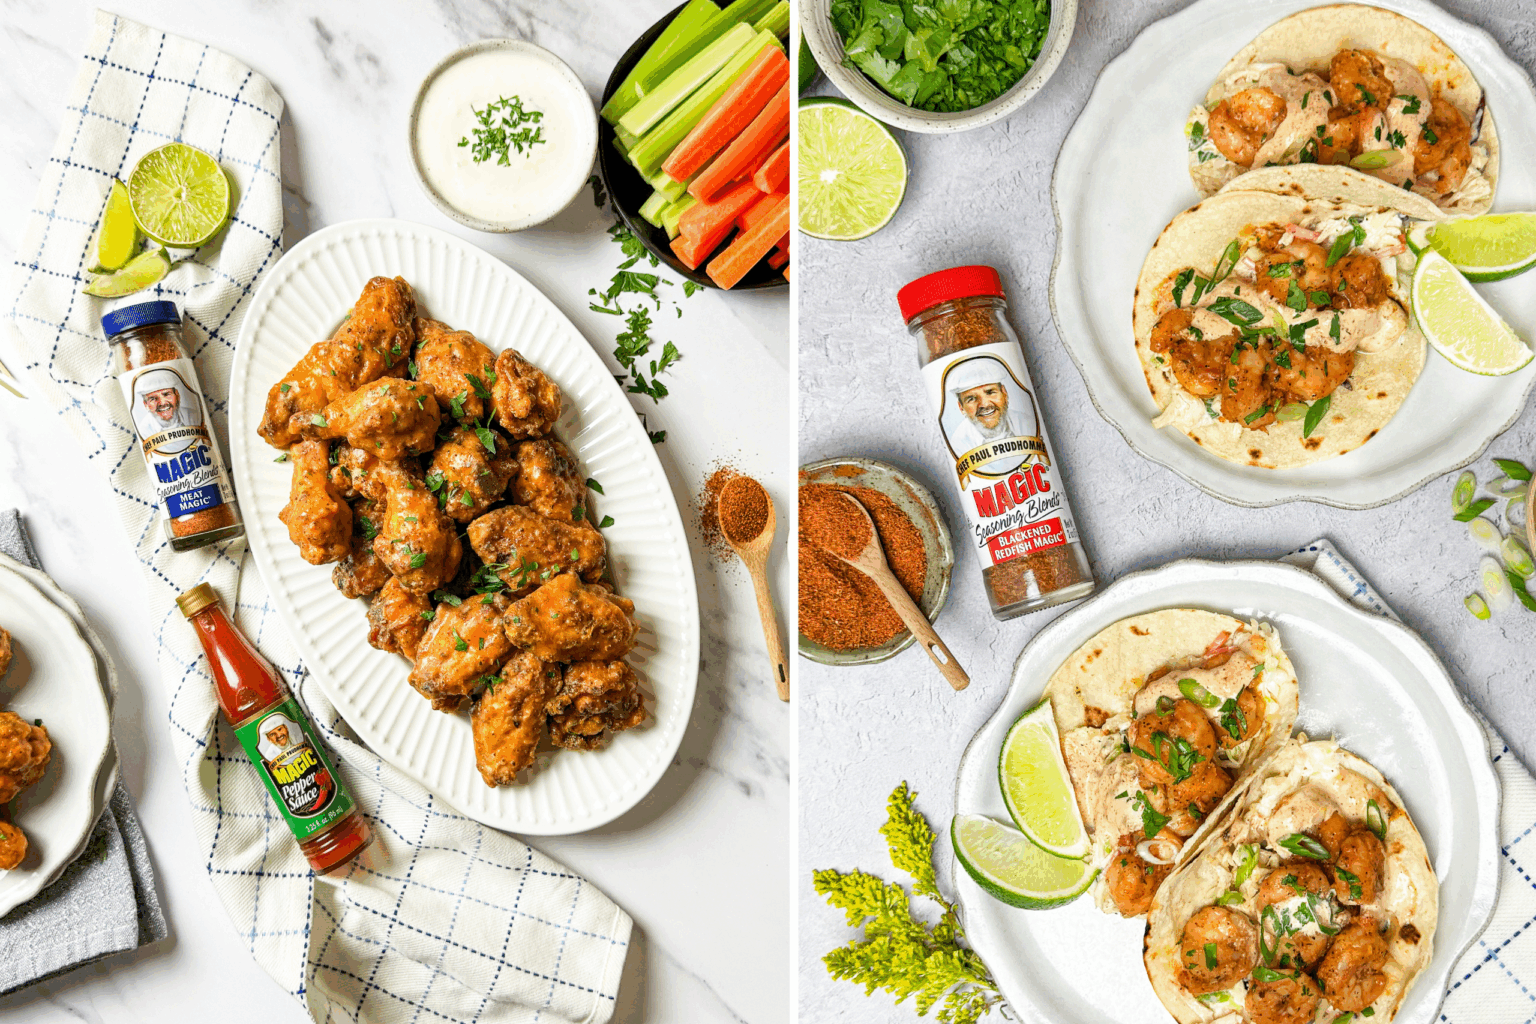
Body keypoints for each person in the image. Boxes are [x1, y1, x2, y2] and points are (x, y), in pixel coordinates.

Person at [943, 357, 1036, 460]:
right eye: (972, 399)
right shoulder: (959, 444)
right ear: (961, 407)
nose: (984, 404)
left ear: (1004, 393)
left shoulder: (1027, 423)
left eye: (990, 392)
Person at [130, 366, 202, 444]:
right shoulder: (144, 431)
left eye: (167, 394)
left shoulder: (194, 416)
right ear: (146, 404)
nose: (163, 403)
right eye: (153, 399)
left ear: (177, 396)